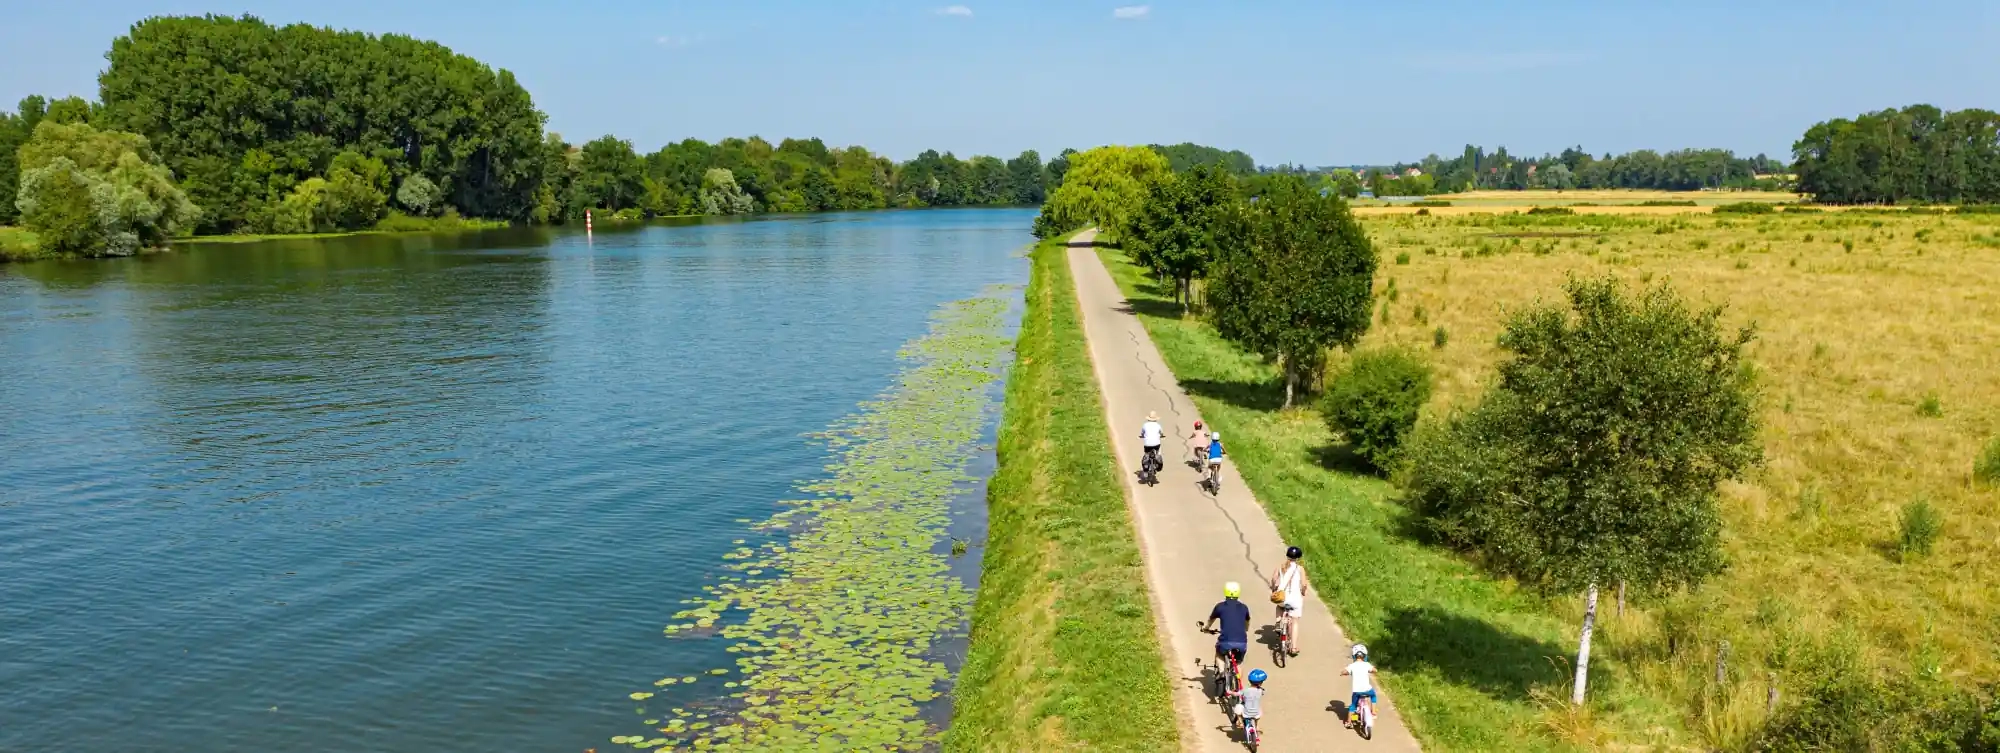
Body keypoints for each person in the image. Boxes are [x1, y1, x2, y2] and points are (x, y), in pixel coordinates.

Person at [1202, 581, 1252, 682]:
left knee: (1219, 652)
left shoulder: (1220, 606)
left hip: (1226, 641)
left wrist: (1205, 628)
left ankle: (1221, 672)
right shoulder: (1244, 607)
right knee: (1238, 663)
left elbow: (1211, 620)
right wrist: (1246, 629)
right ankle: (1238, 686)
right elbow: (1247, 621)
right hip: (1242, 642)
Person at [1269, 546, 1309, 655]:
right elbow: (1304, 584)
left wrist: (1273, 589)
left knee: (1279, 606)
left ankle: (1278, 623)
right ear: (1298, 558)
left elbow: (1273, 580)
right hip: (1295, 600)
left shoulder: (1280, 567)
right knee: (1295, 621)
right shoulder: (1300, 569)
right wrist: (1303, 592)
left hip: (1282, 598)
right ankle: (1294, 648)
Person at [1343, 643, 1378, 728]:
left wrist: (1343, 673)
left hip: (1357, 691)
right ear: (1365, 655)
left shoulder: (1352, 666)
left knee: (1353, 706)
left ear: (1354, 656)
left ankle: (1349, 722)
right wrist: (1372, 670)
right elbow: (1375, 670)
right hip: (1367, 690)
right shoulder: (1367, 664)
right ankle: (1373, 712)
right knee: (1373, 696)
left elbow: (1344, 671)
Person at [1139, 411, 1164, 477]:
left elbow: (1142, 433)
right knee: (1158, 451)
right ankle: (1158, 458)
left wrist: (1142, 436)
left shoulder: (1145, 425)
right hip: (1156, 444)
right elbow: (1161, 433)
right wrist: (1161, 435)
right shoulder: (1158, 425)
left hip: (1147, 444)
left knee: (1146, 454)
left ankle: (1145, 472)